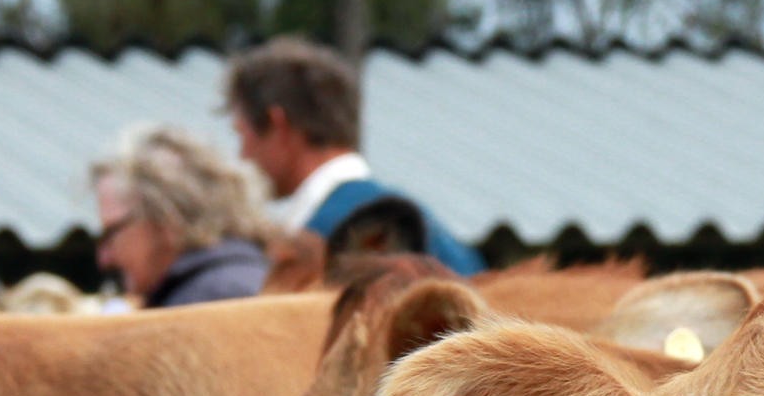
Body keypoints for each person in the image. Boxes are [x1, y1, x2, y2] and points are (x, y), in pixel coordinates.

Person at [224, 37, 484, 275]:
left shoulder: (327, 238)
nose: (242, 155)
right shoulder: (428, 226)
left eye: (242, 134)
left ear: (278, 125)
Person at [91, 124, 272, 308]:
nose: (104, 258)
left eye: (111, 234)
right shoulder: (247, 279)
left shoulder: (207, 300)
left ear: (165, 215)